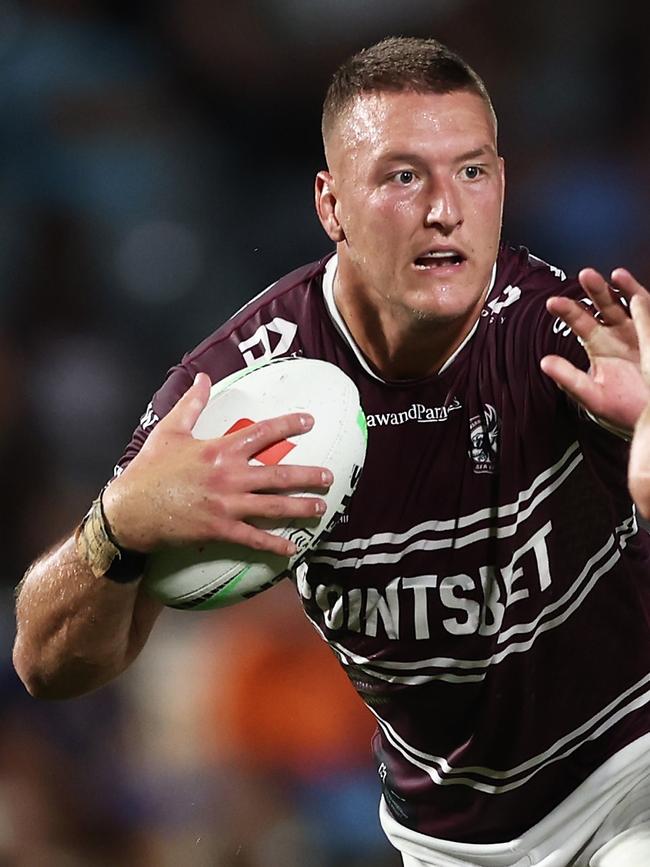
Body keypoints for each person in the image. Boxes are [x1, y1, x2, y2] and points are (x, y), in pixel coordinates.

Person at [12, 36, 650, 867]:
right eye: (402, 176)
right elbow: (45, 662)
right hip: (447, 840)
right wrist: (120, 523)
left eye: (472, 171)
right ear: (330, 204)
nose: (444, 210)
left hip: (628, 768)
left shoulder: (563, 335)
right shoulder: (238, 389)